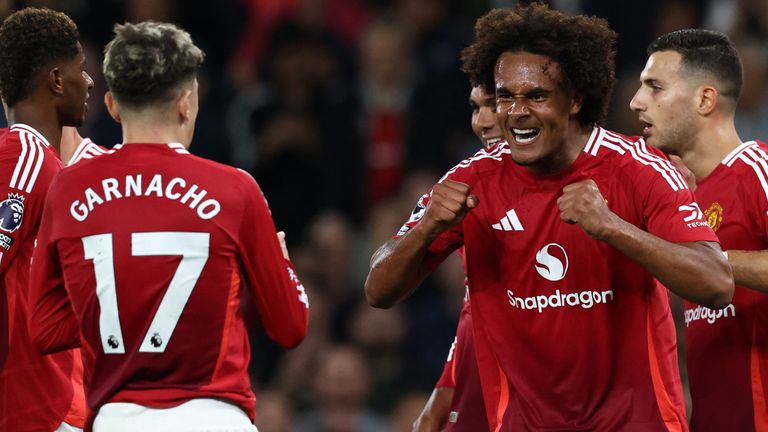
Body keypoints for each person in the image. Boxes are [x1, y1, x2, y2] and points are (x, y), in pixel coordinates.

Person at [364, 4, 734, 431]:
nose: (516, 112)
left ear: (575, 99)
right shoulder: (474, 180)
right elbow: (379, 290)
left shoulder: (639, 169)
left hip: (637, 422)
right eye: (505, 96)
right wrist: (427, 226)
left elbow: (717, 283)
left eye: (536, 96)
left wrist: (613, 227)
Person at [28, 21, 309, 431]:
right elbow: (291, 327)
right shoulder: (236, 190)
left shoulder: (68, 189)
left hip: (116, 420)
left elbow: (44, 330)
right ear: (186, 102)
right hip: (217, 419)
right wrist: (281, 264)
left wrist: (119, 301)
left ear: (111, 105)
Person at [630, 29, 768, 432]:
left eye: (654, 87)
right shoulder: (684, 200)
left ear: (705, 100)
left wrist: (706, 262)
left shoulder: (758, 172)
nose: (636, 102)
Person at [0, 7, 92, 431]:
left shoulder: (48, 164)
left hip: (56, 403)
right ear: (56, 80)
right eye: (81, 69)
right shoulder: (26, 157)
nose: (89, 81)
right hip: (30, 409)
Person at [413, 85, 500, 432]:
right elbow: (477, 311)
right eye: (476, 107)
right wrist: (446, 387)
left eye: (494, 104)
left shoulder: (602, 184)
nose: (483, 122)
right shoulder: (468, 188)